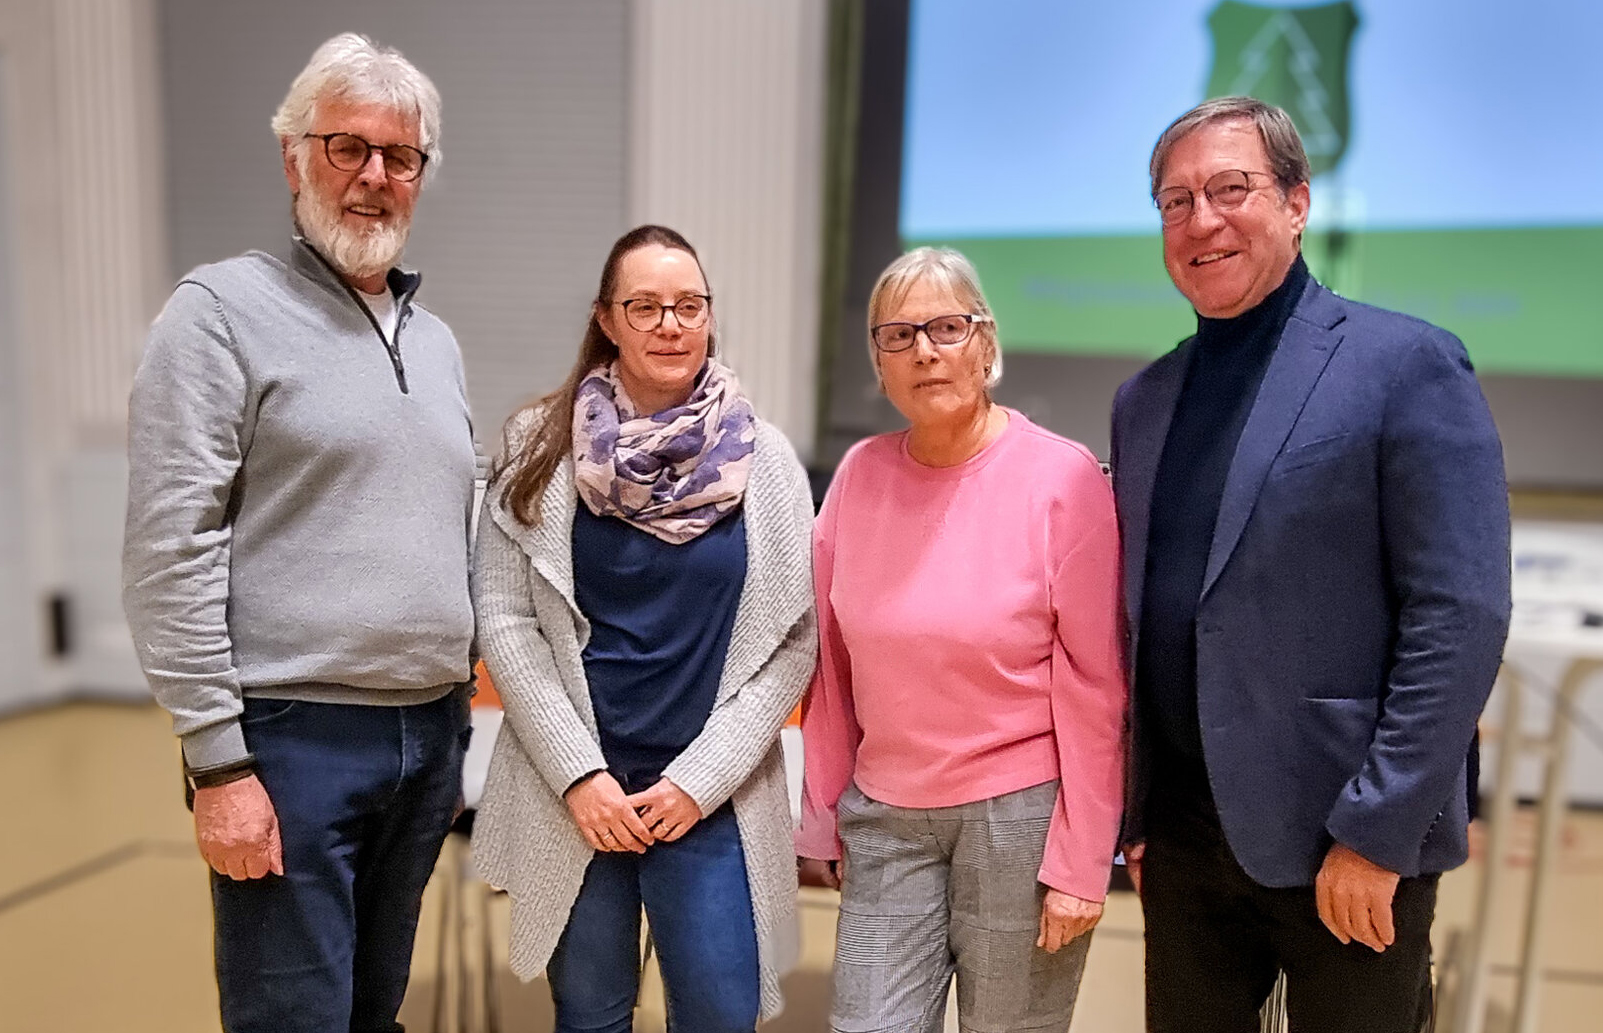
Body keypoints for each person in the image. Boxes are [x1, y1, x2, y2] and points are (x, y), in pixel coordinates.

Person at [1112, 96, 1511, 1032]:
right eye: (1175, 201)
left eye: (1230, 189)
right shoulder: (1143, 400)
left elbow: (1460, 614)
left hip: (1345, 837)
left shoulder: (1406, 364)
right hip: (1184, 840)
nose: (1201, 220)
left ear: (1296, 203)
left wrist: (1377, 830)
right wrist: (1139, 814)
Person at [121, 33, 474, 1033]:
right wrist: (218, 763)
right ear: (292, 157)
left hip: (426, 734)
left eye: (398, 155)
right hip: (288, 741)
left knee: (371, 1014)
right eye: (346, 147)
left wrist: (449, 725)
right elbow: (170, 546)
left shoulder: (435, 341)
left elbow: (457, 521)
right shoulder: (218, 313)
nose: (373, 176)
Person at [469, 225, 816, 1032]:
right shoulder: (537, 446)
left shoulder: (765, 461)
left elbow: (793, 638)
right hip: (579, 795)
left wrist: (701, 780)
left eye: (688, 305)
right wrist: (578, 776)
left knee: (719, 1014)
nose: (670, 324)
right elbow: (507, 618)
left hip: (709, 793)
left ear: (709, 316)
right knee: (589, 1013)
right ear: (607, 318)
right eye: (645, 306)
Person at [795, 247, 1128, 1033]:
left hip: (1020, 820)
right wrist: (820, 814)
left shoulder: (1062, 478)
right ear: (879, 362)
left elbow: (1097, 686)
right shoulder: (859, 474)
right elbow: (832, 667)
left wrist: (1083, 859)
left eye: (946, 327)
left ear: (985, 343)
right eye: (898, 334)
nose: (924, 351)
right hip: (884, 815)